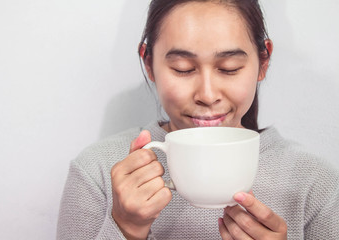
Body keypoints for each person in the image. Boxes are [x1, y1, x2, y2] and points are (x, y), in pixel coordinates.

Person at [57, 0, 339, 239]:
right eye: (183, 69)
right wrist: (126, 227)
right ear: (149, 63)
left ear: (263, 62)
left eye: (229, 69)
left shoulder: (315, 183)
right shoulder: (98, 171)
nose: (207, 94)